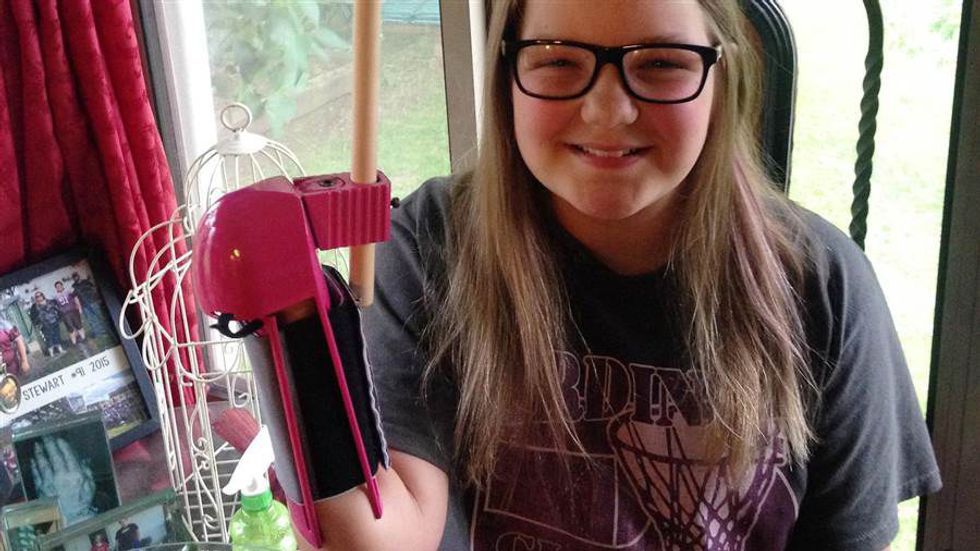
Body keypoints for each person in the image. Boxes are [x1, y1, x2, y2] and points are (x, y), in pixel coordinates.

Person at [303, 1, 942, 550]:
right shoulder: (429, 247)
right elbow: (390, 533)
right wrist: (291, 333)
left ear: (723, 76)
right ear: (507, 75)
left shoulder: (822, 284)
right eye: (557, 59)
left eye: (661, 63)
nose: (608, 112)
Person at [29, 292, 64, 356]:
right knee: (48, 338)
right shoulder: (34, 306)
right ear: (35, 298)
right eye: (37, 297)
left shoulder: (50, 302)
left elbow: (57, 309)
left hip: (54, 321)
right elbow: (32, 317)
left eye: (40, 295)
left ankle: (60, 350)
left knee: (57, 336)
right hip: (44, 325)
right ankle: (51, 353)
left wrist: (59, 317)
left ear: (43, 296)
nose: (39, 297)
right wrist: (37, 323)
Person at [72, 272, 106, 338]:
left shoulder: (86, 282)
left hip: (93, 302)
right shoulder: (74, 286)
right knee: (91, 319)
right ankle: (98, 333)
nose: (75, 277)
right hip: (85, 305)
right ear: (73, 278)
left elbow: (94, 289)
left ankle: (104, 330)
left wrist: (97, 298)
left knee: (99, 317)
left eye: (76, 276)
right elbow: (74, 296)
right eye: (74, 277)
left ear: (78, 276)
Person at [53, 281, 86, 346]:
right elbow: (56, 307)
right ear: (56, 288)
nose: (59, 287)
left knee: (79, 325)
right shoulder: (55, 297)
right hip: (65, 314)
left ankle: (83, 338)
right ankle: (74, 343)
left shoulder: (69, 291)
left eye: (59, 286)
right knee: (70, 329)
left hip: (74, 311)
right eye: (57, 287)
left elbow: (76, 299)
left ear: (62, 285)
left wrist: (79, 308)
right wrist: (60, 314)